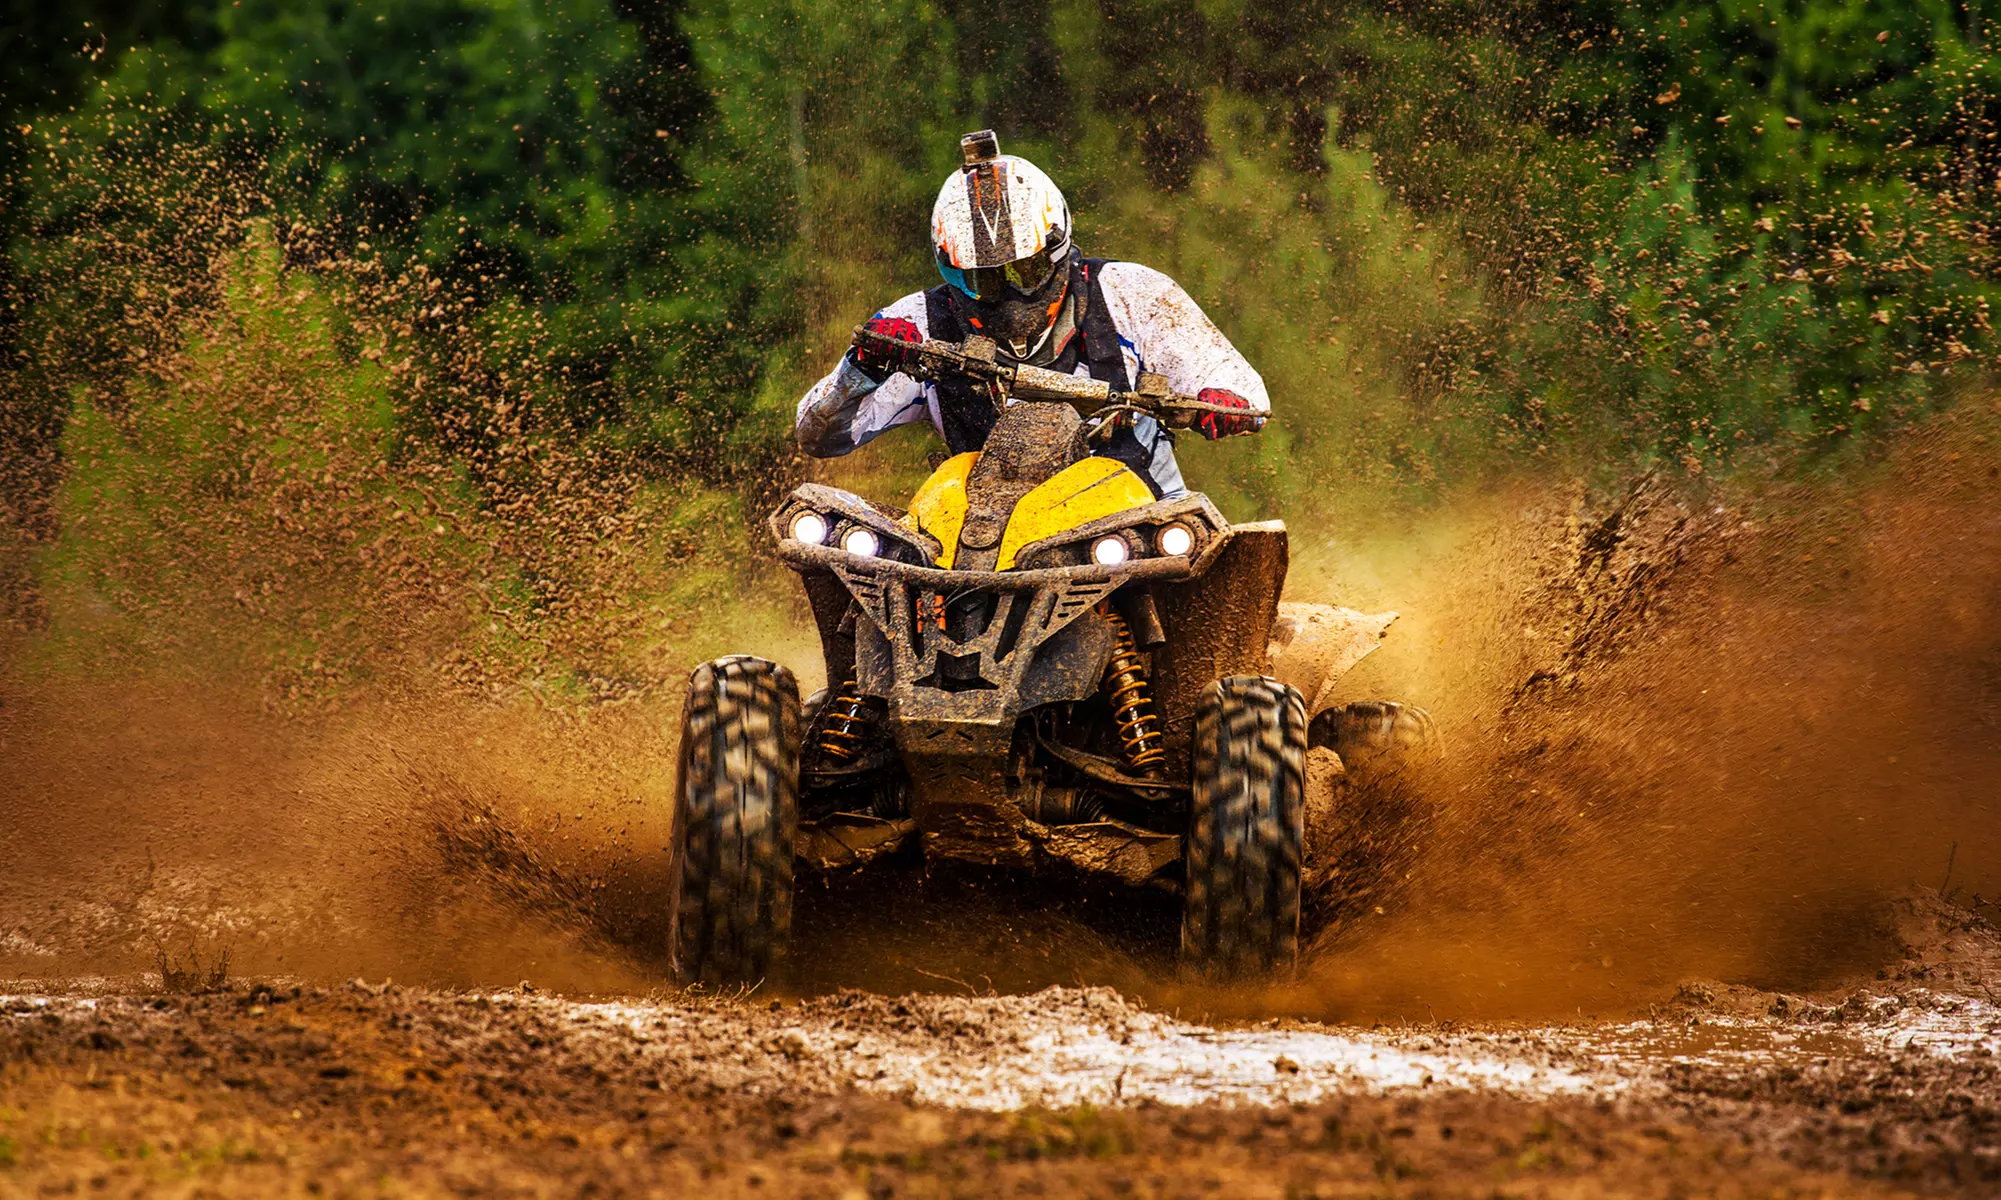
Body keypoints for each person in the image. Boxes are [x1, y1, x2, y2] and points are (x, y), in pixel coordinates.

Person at [793, 130, 1266, 499]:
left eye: (1028, 270)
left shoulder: (1131, 292)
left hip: (1137, 517)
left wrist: (1224, 402)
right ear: (951, 269)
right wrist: (863, 369)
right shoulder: (919, 324)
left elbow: (1237, 383)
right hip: (980, 539)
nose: (1011, 297)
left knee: (1221, 571)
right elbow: (818, 435)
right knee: (855, 557)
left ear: (1060, 248)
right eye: (985, 280)